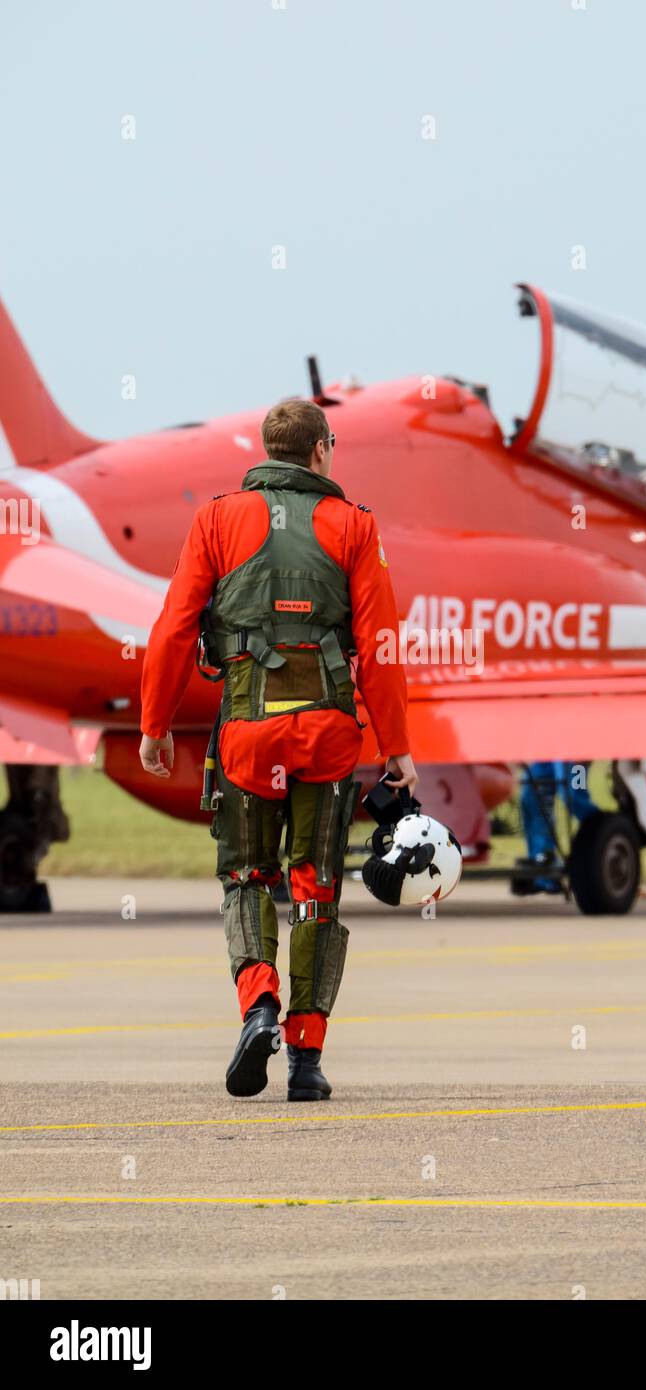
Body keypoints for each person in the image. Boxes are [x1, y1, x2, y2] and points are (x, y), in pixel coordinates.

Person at [138, 398, 417, 1101]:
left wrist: (155, 723)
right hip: (327, 735)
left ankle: (258, 1004)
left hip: (246, 734)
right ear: (322, 451)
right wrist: (398, 748)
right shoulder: (355, 527)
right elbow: (380, 647)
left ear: (266, 453)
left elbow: (174, 627)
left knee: (245, 879)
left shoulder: (216, 519)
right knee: (315, 892)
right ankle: (307, 1061)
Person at [515, 761, 598, 893]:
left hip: (575, 752)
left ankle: (606, 844)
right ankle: (543, 873)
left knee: (575, 796)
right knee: (531, 794)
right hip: (547, 748)